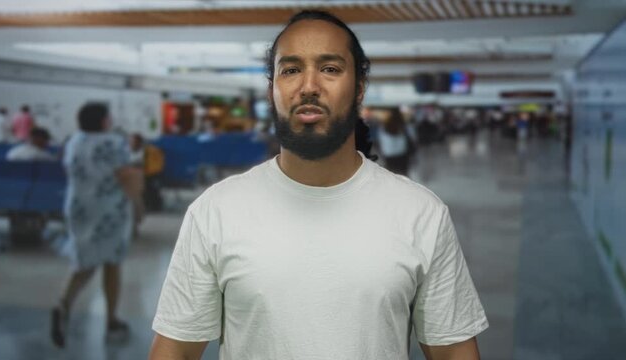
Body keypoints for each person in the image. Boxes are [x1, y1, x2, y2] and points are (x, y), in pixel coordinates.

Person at [149, 10, 488, 360]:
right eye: (291, 70)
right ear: (272, 90)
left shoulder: (420, 213)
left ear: (359, 89)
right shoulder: (216, 210)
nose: (308, 86)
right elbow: (175, 349)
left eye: (330, 69)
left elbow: (452, 351)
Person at [51, 103, 142, 348]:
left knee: (83, 260)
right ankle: (111, 319)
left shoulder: (74, 141)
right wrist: (138, 202)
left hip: (78, 208)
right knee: (112, 264)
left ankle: (63, 304)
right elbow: (125, 175)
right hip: (109, 210)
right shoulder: (113, 142)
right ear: (103, 121)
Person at [378, 108, 413, 176]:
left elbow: (381, 140)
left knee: (392, 175)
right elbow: (411, 138)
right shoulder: (402, 125)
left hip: (389, 154)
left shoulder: (384, 126)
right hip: (402, 153)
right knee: (403, 174)